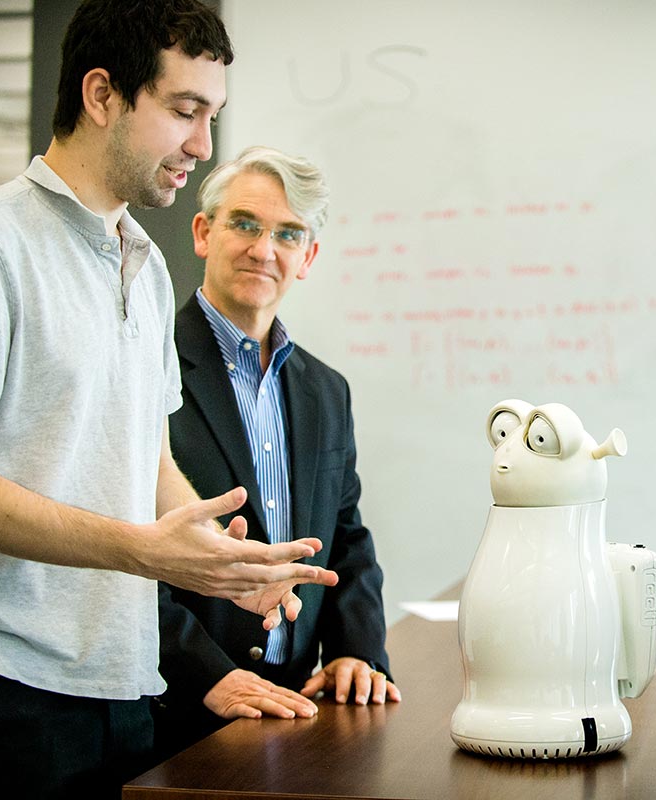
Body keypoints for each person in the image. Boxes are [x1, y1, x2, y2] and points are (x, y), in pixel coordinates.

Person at [0, 3, 335, 797]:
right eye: (185, 111)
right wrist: (140, 549)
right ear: (101, 95)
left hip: (128, 686)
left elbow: (145, 459)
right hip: (6, 692)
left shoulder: (149, 266)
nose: (203, 145)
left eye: (212, 116)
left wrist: (223, 565)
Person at [151, 146, 399, 761]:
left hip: (299, 716)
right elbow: (123, 548)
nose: (265, 249)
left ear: (307, 257)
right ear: (204, 232)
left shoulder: (327, 390)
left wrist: (356, 651)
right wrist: (204, 673)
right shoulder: (145, 362)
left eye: (289, 234)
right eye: (245, 224)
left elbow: (346, 538)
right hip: (178, 710)